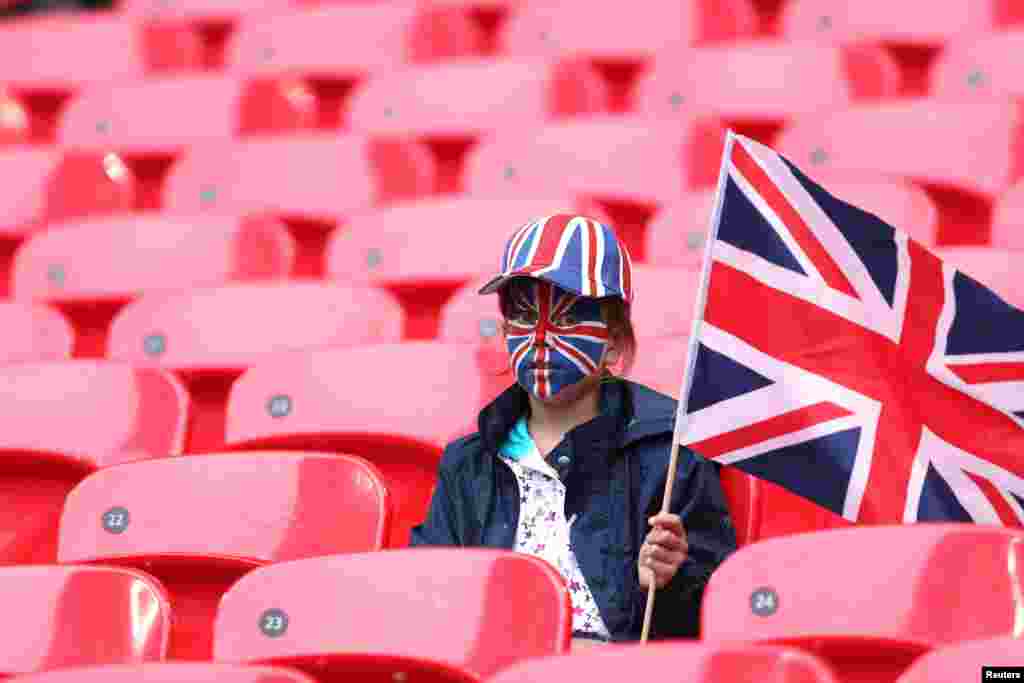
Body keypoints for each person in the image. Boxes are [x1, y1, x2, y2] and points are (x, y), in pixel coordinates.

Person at [411, 214, 736, 644]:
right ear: (505, 330)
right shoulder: (468, 463)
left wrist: (664, 586)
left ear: (614, 341)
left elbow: (712, 622)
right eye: (524, 317)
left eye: (565, 320)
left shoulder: (670, 456)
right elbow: (427, 596)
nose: (541, 338)